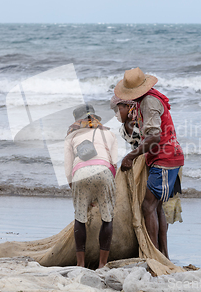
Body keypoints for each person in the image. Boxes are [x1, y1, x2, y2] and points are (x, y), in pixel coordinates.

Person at [114, 67, 184, 258]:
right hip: (167, 157)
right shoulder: (149, 99)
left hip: (164, 158)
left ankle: (153, 254)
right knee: (158, 206)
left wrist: (131, 156)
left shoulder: (149, 102)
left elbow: (154, 137)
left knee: (148, 206)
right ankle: (162, 254)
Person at [64, 104, 117, 268]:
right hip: (104, 172)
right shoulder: (109, 133)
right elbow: (114, 163)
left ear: (77, 121)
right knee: (107, 219)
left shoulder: (71, 136)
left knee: (80, 218)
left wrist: (75, 188)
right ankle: (102, 264)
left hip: (80, 174)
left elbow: (68, 168)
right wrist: (107, 186)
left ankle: (80, 264)